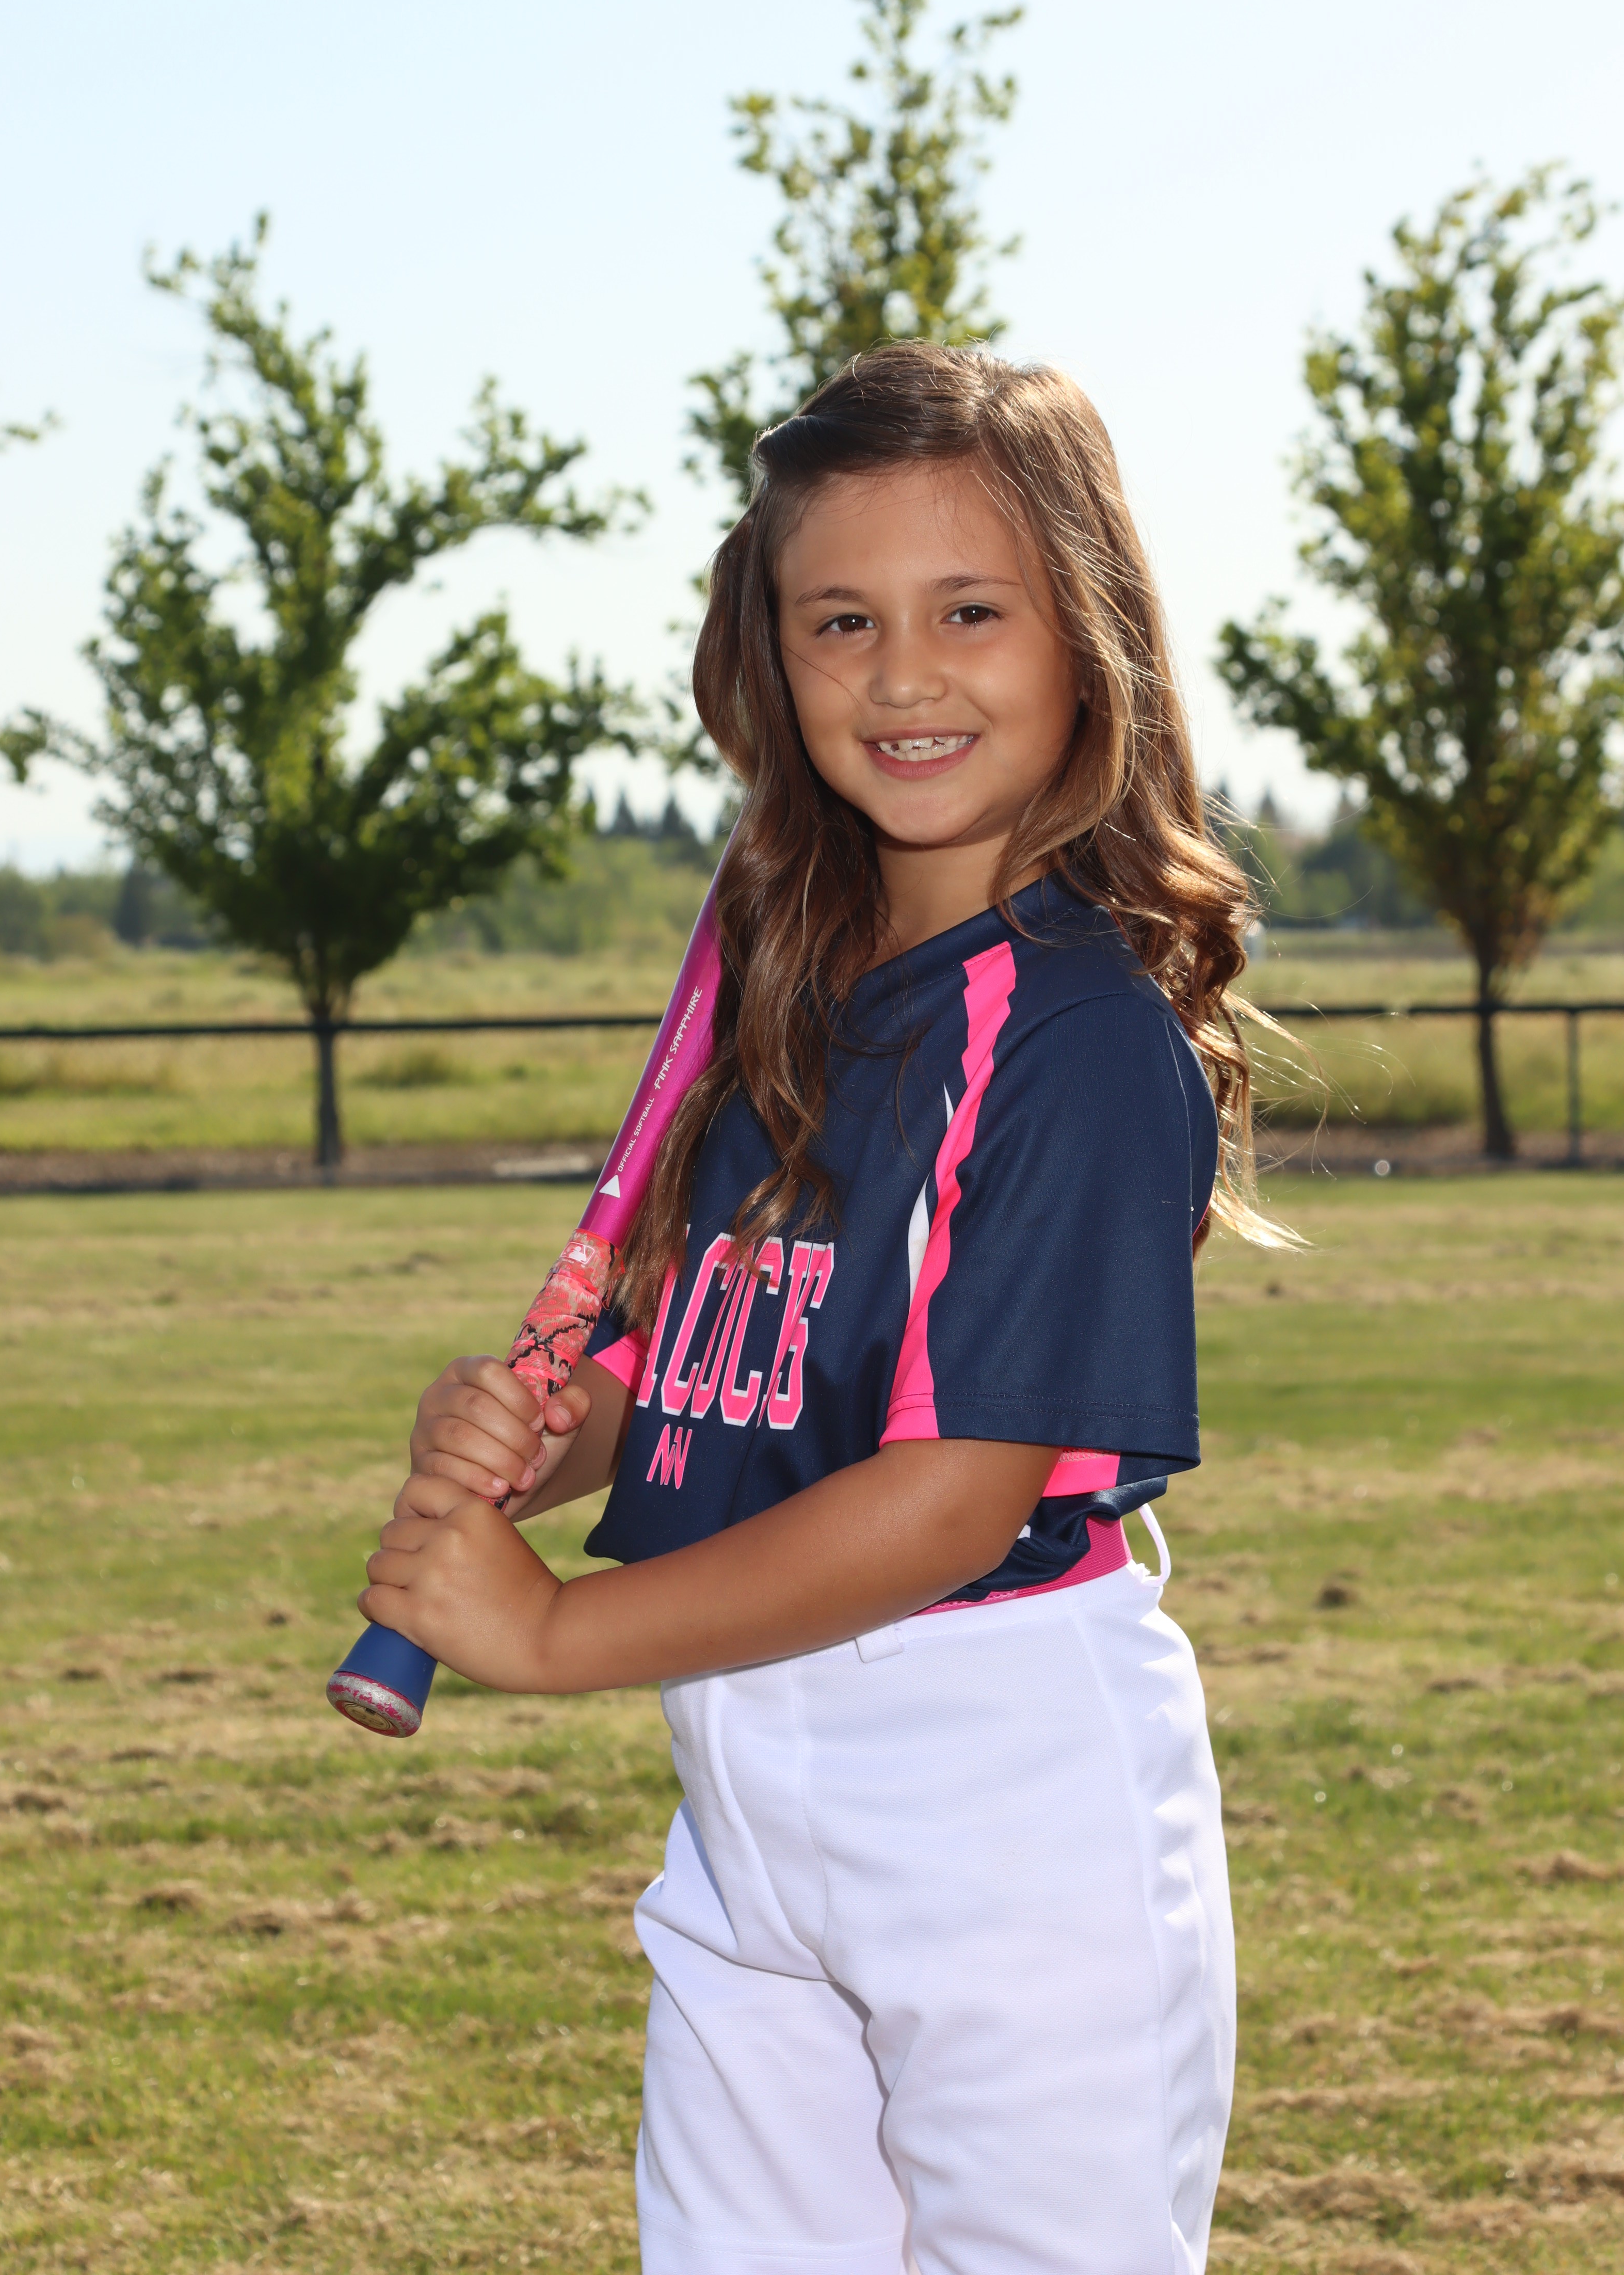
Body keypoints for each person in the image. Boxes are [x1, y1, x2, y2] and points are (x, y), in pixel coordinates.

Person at [358, 343, 1275, 2275]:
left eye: (970, 611)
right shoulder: (799, 992)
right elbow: (730, 1355)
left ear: (1089, 635)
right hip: (749, 1782)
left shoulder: (1081, 1038)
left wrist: (554, 1631)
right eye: (841, 620)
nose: (904, 673)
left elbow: (948, 1496)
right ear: (770, 660)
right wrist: (569, 1431)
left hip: (1001, 1789)